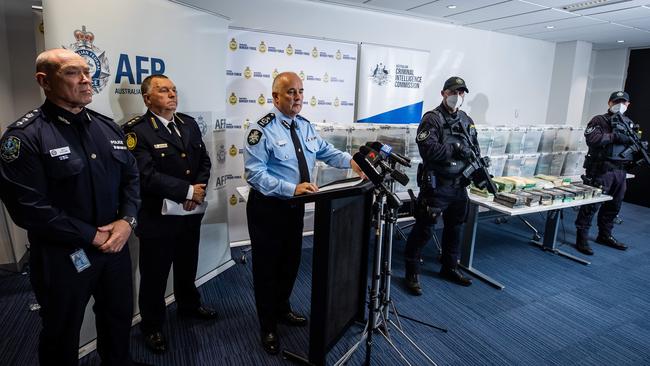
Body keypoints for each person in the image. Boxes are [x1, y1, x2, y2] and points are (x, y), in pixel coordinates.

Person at [0, 49, 140, 366]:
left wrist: (127, 222)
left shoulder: (108, 128)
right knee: (61, 334)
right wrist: (92, 236)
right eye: (73, 72)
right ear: (44, 81)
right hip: (62, 257)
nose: (86, 79)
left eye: (87, 72)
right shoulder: (25, 136)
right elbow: (29, 208)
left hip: (114, 248)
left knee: (118, 320)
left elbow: (132, 178)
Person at [244, 71, 363, 355]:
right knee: (267, 269)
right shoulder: (261, 129)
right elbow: (254, 174)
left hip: (294, 210)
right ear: (275, 96)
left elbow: (324, 151)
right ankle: (268, 325)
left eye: (299, 91)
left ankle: (282, 308)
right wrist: (292, 188)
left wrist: (352, 161)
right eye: (290, 92)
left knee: (290, 264)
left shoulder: (305, 126)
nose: (297, 97)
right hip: (268, 210)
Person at [122, 74, 215, 354]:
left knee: (188, 265)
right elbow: (144, 175)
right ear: (147, 98)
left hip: (189, 214)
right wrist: (187, 192)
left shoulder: (187, 123)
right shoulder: (136, 132)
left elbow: (204, 161)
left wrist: (196, 190)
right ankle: (152, 326)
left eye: (173, 90)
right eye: (164, 90)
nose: (172, 94)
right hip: (157, 218)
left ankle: (189, 305)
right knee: (155, 276)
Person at [404, 76, 478, 294]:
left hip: (459, 184)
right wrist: (455, 148)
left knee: (455, 228)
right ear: (444, 93)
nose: (458, 96)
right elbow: (428, 150)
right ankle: (412, 271)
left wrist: (476, 166)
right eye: (453, 92)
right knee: (425, 229)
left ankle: (450, 266)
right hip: (437, 185)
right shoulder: (432, 119)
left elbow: (474, 148)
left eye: (461, 92)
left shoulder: (466, 120)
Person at [574, 91, 637, 255]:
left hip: (620, 171)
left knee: (614, 206)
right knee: (591, 205)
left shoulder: (629, 123)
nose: (620, 105)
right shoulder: (599, 120)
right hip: (601, 170)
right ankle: (582, 238)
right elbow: (592, 139)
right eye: (617, 101)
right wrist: (614, 136)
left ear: (628, 105)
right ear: (609, 103)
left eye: (624, 102)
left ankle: (605, 235)